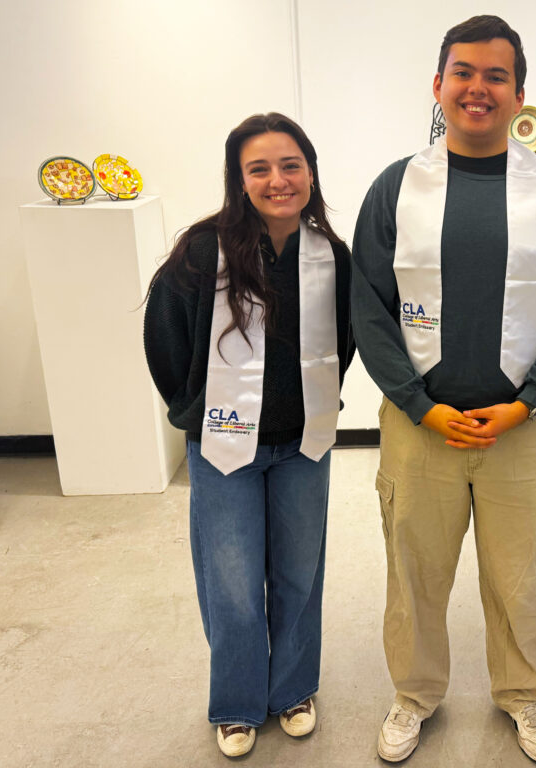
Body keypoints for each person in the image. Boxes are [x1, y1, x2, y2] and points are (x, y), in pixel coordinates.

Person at [351, 15, 536, 764]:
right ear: (438, 85)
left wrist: (532, 399)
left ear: (520, 92)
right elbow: (369, 305)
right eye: (463, 73)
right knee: (415, 577)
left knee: (518, 581)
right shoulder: (396, 186)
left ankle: (522, 696)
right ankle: (415, 695)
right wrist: (420, 404)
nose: (478, 88)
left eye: (496, 75)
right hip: (420, 427)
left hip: (519, 428)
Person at [143, 113, 354, 757]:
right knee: (231, 582)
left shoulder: (330, 255)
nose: (277, 180)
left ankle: (292, 688)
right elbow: (165, 337)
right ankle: (236, 703)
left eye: (290, 165)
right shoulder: (203, 251)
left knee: (299, 573)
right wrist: (193, 412)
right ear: (239, 180)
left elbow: (345, 342)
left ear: (310, 172)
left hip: (302, 444)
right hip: (224, 446)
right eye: (258, 168)